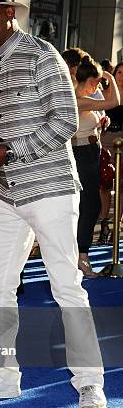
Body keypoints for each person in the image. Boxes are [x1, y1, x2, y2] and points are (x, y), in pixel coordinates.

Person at [0, 0, 107, 408]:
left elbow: (63, 121)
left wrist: (10, 152)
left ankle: (90, 383)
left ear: (9, 14)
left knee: (66, 286)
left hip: (52, 190)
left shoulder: (42, 55)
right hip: (6, 194)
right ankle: (3, 376)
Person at [72, 55, 119, 276]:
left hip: (92, 150)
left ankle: (80, 255)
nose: (99, 85)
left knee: (89, 206)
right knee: (88, 206)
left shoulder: (90, 96)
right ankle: (81, 256)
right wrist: (109, 74)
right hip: (80, 154)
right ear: (88, 79)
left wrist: (102, 123)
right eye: (97, 81)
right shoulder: (78, 98)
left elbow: (103, 112)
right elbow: (115, 102)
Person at [101, 61, 123, 241]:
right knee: (105, 186)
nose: (122, 76)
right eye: (119, 72)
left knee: (121, 187)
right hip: (107, 142)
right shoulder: (106, 94)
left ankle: (117, 227)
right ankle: (104, 226)